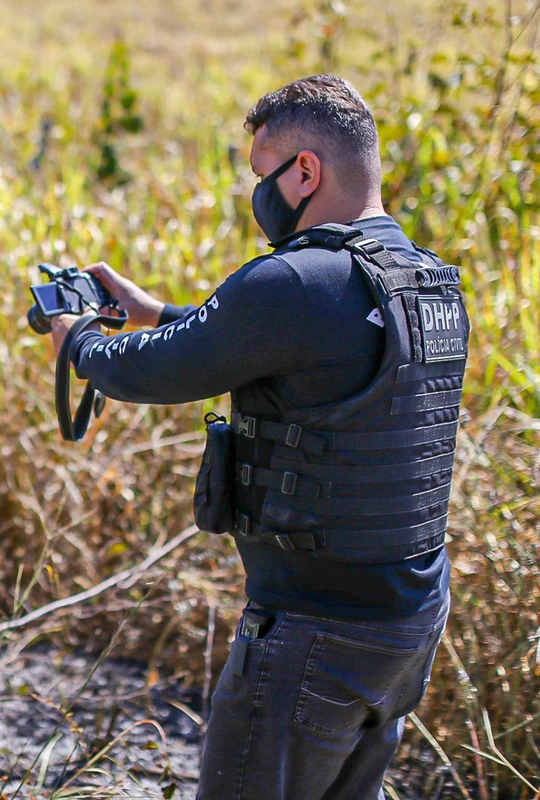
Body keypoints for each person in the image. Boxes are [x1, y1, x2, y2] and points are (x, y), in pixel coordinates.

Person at [48, 75, 469, 799]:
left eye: (261, 174)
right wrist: (157, 311)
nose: (258, 195)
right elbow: (299, 350)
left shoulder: (296, 283)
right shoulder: (424, 280)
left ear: (305, 171)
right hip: (406, 624)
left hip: (316, 632)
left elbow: (154, 373)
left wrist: (76, 339)